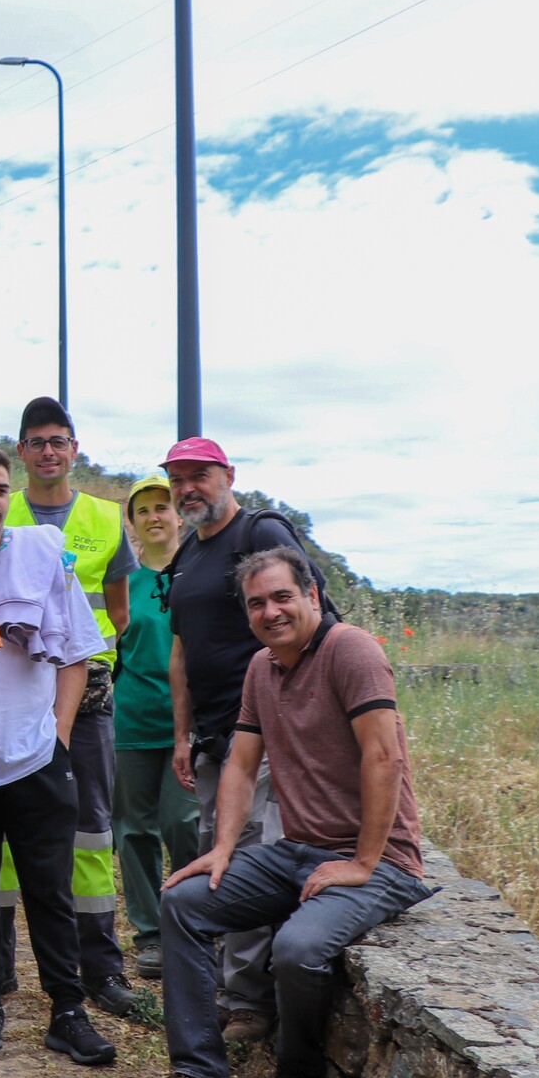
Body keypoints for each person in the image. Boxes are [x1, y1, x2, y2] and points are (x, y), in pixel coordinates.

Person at [129, 548, 433, 1078]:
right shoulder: (261, 668)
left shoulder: (351, 650)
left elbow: (383, 755)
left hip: (383, 863)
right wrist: (222, 847)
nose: (271, 612)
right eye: (257, 603)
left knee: (296, 948)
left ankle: (297, 1071)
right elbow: (241, 766)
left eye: (282, 597)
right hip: (298, 851)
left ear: (312, 596)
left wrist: (364, 862)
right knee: (184, 902)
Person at [0, 443, 119, 1074]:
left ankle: (67, 1011)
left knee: (51, 888)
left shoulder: (40, 556)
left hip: (36, 754)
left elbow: (77, 652)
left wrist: (60, 734)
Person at [162, 436, 326, 1046]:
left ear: (228, 474)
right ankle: (231, 992)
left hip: (264, 734)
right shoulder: (186, 554)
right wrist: (182, 733)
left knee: (251, 856)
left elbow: (314, 620)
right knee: (216, 855)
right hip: (212, 738)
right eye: (177, 479)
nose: (187, 489)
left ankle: (250, 1005)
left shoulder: (259, 534)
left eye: (198, 475)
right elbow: (182, 651)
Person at [4, 397, 137, 1018]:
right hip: (18, 690)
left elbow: (119, 608)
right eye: (37, 442)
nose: (49, 451)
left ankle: (101, 969)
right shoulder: (1, 510)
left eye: (59, 441)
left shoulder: (106, 520)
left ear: (74, 449)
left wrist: (95, 665)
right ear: (23, 451)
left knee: (91, 830)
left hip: (89, 693)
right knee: (4, 832)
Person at [113, 474, 202, 979]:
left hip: (186, 724)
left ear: (179, 515)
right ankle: (149, 934)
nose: (153, 516)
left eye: (162, 506)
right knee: (133, 830)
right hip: (130, 719)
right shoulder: (124, 581)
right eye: (143, 509)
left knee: (182, 823)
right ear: (132, 522)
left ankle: (191, 922)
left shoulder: (200, 573)